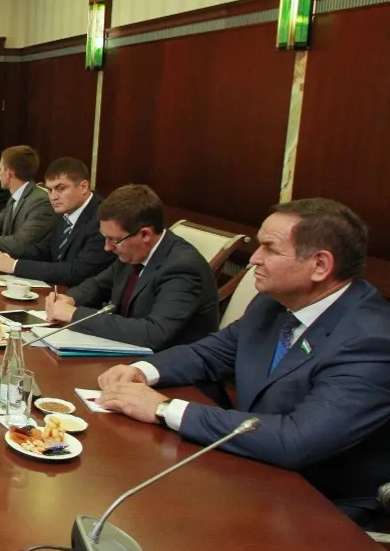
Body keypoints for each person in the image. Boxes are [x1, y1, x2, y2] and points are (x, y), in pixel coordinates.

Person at [96, 199, 390, 525]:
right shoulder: (272, 304)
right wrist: (140, 370)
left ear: (320, 265)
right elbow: (210, 352)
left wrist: (164, 408)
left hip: (322, 512)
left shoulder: (371, 340)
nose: (253, 259)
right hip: (251, 471)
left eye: (269, 248)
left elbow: (297, 440)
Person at [45, 184, 218, 350]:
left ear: (145, 234)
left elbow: (154, 334)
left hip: (170, 362)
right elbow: (99, 285)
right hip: (127, 352)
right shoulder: (134, 251)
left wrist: (74, 315)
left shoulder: (183, 267)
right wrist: (70, 299)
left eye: (113, 240)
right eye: (105, 237)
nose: (107, 247)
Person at [0, 157, 114, 288]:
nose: (53, 197)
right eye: (50, 190)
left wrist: (15, 266)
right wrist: (4, 257)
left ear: (84, 187)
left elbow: (78, 272)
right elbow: (44, 250)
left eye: (61, 188)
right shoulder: (65, 211)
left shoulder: (104, 218)